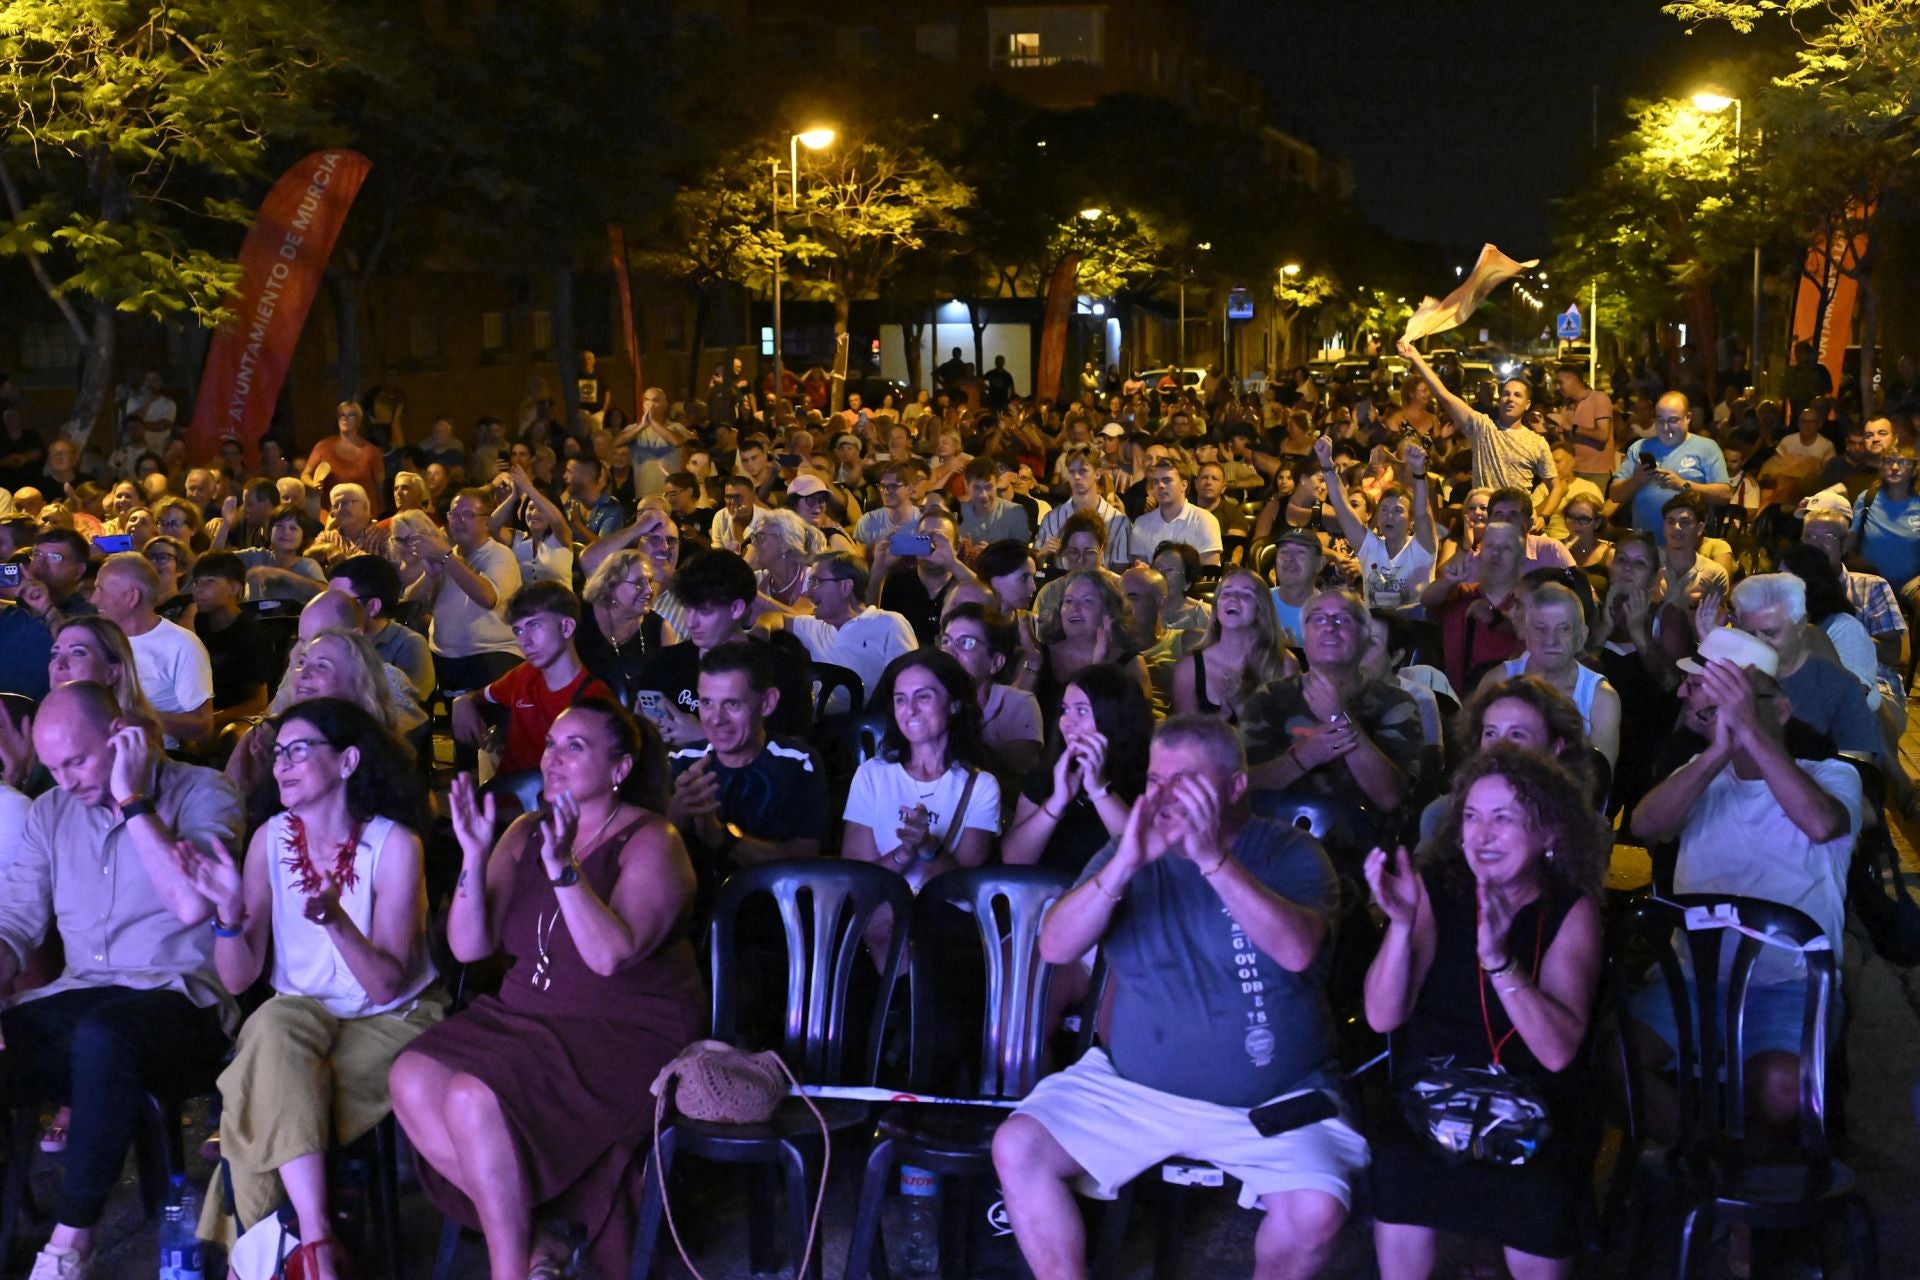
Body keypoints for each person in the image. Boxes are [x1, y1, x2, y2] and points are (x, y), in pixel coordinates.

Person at [994, 715, 1362, 1280]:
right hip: (1133, 1091)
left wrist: (1212, 859)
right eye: (1155, 779)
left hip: (1273, 1096)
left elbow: (1297, 952)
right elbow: (1055, 945)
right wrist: (1123, 866)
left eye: (1184, 781)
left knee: (1315, 1212)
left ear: (1236, 787)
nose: (1164, 795)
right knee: (1018, 1147)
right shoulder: (1128, 851)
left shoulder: (1289, 853)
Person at [389, 701, 703, 1280]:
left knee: (470, 1097)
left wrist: (564, 871)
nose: (552, 758)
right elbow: (469, 947)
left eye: (575, 747)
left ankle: (509, 1268)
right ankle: (538, 1239)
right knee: (409, 1076)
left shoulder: (651, 840)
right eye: (552, 744)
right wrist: (474, 852)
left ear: (619, 768)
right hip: (525, 1013)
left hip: (621, 1032)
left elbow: (610, 956)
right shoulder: (525, 830)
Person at [178, 699, 439, 1270]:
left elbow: (389, 983)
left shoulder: (395, 845)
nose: (282, 765)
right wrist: (225, 911)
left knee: (256, 1098)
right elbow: (239, 975)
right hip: (299, 1017)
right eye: (278, 754)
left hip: (391, 1018)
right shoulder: (269, 838)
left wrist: (336, 922)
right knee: (271, 1025)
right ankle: (318, 1240)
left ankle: (269, 1258)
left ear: (347, 761)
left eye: (299, 750)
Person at [5, 683, 242, 1280]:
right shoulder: (53, 811)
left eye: (77, 761)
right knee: (61, 1032)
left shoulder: (201, 791)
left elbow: (194, 902)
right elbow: (13, 923)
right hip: (82, 997)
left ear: (121, 736)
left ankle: (70, 1245)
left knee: (104, 1036)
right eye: (52, 767)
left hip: (181, 1001)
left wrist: (132, 801)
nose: (65, 782)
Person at [1364, 744, 1606, 1279]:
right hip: (1436, 1090)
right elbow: (1383, 1018)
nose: (1482, 835)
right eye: (1471, 817)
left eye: (1503, 819)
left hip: (1539, 1100)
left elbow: (1558, 1051)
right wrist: (1401, 927)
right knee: (1401, 1165)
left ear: (1549, 834)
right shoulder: (1435, 888)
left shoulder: (1570, 908)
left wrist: (1500, 962)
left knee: (1537, 1192)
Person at [1629, 628, 1860, 1148]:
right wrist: (1715, 754)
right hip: (1693, 977)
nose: (1688, 695)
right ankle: (1712, 1162)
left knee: (1780, 1088)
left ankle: (1734, 1180)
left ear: (1777, 709)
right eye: (1698, 689)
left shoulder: (1831, 775)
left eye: (1717, 693)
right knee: (1611, 1056)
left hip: (1789, 982)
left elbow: (1823, 824)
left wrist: (1751, 734)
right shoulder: (1699, 772)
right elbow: (1644, 826)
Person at [666, 641, 827, 898]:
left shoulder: (798, 763)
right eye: (706, 702)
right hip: (692, 910)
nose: (715, 719)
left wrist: (722, 836)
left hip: (772, 913)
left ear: (767, 703)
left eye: (732, 704)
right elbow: (647, 856)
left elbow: (804, 862)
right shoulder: (681, 760)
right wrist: (679, 808)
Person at [1242, 588, 1423, 815]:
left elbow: (1391, 798)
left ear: (1364, 638)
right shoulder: (1269, 697)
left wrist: (1339, 716)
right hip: (1274, 837)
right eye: (1318, 619)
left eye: (1343, 619)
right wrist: (1307, 755)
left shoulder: (1396, 703)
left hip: (1362, 844)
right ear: (1305, 637)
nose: (1329, 626)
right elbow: (1243, 783)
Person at [839, 650, 1001, 893]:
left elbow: (967, 891)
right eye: (900, 699)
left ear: (954, 704)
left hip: (941, 923)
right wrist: (903, 853)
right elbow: (857, 880)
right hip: (881, 917)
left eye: (923, 697)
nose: (910, 710)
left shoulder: (981, 786)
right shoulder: (871, 774)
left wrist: (928, 847)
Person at [1001, 662, 1151, 875]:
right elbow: (1014, 859)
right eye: (1065, 710)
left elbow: (1145, 860)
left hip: (1124, 900)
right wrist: (1057, 802)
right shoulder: (1048, 773)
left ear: (1112, 716)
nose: (1067, 722)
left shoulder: (1149, 776)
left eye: (1081, 710)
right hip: (1049, 899)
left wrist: (1099, 791)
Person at [454, 581, 612, 777]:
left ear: (567, 627)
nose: (524, 641)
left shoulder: (594, 698)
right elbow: (481, 696)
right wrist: (461, 701)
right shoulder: (524, 674)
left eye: (534, 625)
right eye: (518, 630)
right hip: (507, 797)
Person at [1727, 573, 1883, 759]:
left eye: (1771, 633)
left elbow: (1858, 766)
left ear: (1800, 627)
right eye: (1750, 634)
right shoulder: (1730, 676)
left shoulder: (1838, 687)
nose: (1760, 642)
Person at [1481, 581, 1621, 766]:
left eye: (1563, 629)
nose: (1551, 640)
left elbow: (1598, 784)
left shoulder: (1601, 698)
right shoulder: (1497, 681)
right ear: (1526, 633)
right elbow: (1476, 762)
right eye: (1541, 628)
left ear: (1581, 637)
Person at [398, 490, 524, 695]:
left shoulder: (500, 555)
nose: (459, 521)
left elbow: (487, 598)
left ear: (486, 521)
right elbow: (410, 605)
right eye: (454, 515)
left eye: (468, 514)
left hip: (492, 653)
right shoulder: (446, 556)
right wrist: (430, 576)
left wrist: (447, 558)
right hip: (442, 657)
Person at [89, 552, 214, 748]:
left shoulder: (181, 645)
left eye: (100, 590)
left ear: (132, 597)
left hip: (152, 761)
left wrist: (137, 716)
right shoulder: (96, 639)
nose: (93, 599)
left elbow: (203, 727)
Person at [1400, 339, 1550, 500]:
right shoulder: (1483, 427)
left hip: (1517, 519)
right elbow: (1445, 396)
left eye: (1517, 395)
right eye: (1506, 394)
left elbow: (1557, 486)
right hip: (1482, 516)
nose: (1510, 399)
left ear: (1527, 404)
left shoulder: (1537, 442)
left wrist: (1543, 515)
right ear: (1499, 399)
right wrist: (1416, 358)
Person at [762, 551, 915, 708]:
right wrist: (761, 628)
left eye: (817, 582)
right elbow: (777, 617)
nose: (808, 593)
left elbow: (909, 684)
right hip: (821, 726)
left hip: (871, 727)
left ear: (845, 587)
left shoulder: (890, 624)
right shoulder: (814, 625)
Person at [1319, 437, 1434, 609]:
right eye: (1384, 510)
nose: (1389, 516)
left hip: (1411, 631)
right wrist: (1326, 463)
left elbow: (1423, 512)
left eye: (1398, 510)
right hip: (1375, 631)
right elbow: (1342, 508)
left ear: (1411, 520)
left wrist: (1418, 472)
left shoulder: (1422, 547)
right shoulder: (1370, 547)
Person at [1172, 567, 1296, 724]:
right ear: (1216, 609)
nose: (1233, 598)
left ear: (1260, 610)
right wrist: (1221, 718)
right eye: (1226, 593)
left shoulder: (1284, 664)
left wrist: (1239, 706)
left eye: (1246, 594)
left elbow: (1290, 737)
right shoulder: (1188, 669)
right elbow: (1183, 740)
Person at [936, 603, 1045, 777]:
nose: (949, 651)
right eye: (946, 641)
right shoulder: (929, 700)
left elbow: (1014, 778)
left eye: (966, 642)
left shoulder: (1019, 704)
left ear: (996, 663)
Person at [1610, 392, 1731, 543]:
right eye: (1660, 421)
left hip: (1690, 548)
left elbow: (1724, 495)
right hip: (1647, 546)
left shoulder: (1707, 447)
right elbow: (1615, 494)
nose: (1666, 427)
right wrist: (1637, 479)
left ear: (1688, 418)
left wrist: (1683, 485)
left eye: (1673, 420)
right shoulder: (1639, 447)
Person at [1425, 521, 1527, 692]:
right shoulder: (1462, 594)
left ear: (1521, 556)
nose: (1496, 553)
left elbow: (1532, 631)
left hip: (1515, 701)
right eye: (1490, 546)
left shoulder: (1530, 601)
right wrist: (1449, 581)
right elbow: (1427, 600)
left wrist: (1495, 618)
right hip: (1461, 704)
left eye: (1506, 548)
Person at [327, 554, 435, 704]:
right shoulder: (326, 640)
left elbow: (407, 711)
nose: (330, 608)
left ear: (373, 606)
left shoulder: (409, 645)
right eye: (328, 599)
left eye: (342, 602)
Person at [190, 551, 273, 736]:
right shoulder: (197, 621)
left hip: (232, 721)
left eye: (209, 581)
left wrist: (208, 720)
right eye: (196, 582)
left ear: (234, 588)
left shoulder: (251, 633)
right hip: (201, 709)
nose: (199, 589)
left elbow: (258, 703)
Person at [872, 508, 982, 646]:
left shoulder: (964, 584)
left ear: (956, 547)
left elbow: (990, 600)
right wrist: (879, 569)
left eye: (940, 538)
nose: (931, 544)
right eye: (924, 538)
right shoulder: (897, 582)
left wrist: (953, 563)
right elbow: (869, 622)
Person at [1130, 457, 1223, 565]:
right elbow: (1141, 572)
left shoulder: (1205, 520)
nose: (1160, 485)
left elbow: (1209, 574)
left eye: (1167, 480)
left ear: (1184, 485)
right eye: (1156, 482)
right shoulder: (1142, 523)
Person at [302, 402, 386, 516]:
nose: (345, 419)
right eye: (342, 415)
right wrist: (314, 484)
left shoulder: (371, 451)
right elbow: (305, 475)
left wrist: (382, 514)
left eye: (351, 415)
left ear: (359, 421)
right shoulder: (324, 446)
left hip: (363, 516)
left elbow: (380, 486)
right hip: (331, 514)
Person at [1558, 360, 1617, 487]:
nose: (1558, 387)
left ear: (1573, 379)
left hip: (1596, 472)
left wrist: (1573, 428)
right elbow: (1565, 442)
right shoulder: (1565, 406)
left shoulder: (1599, 399)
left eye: (1560, 383)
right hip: (1573, 471)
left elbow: (1602, 435)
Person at [1267, 529, 1322, 646]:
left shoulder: (1329, 614)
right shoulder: (1258, 602)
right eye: (1284, 551)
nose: (1289, 558)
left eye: (1300, 552)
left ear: (1320, 564)